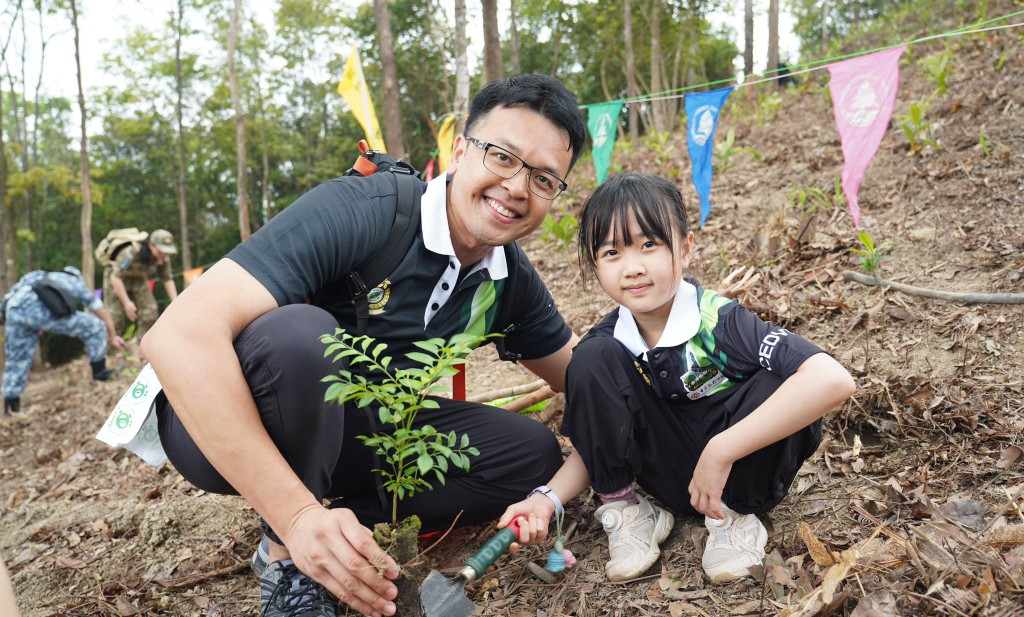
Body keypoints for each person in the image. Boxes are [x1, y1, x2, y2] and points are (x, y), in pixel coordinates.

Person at [142, 74, 588, 617]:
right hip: (220, 421)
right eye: (503, 157)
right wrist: (297, 519)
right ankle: (287, 560)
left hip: (361, 435)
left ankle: (346, 532)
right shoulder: (367, 209)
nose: (517, 187)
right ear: (460, 149)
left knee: (531, 456)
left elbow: (585, 380)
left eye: (544, 179)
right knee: (301, 339)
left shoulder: (507, 278)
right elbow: (177, 336)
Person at [498, 173, 856, 584]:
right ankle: (631, 512)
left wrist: (721, 450)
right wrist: (546, 501)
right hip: (672, 477)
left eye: (649, 244)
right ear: (595, 266)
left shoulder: (720, 321)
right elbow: (599, 439)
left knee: (781, 379)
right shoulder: (607, 345)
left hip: (741, 471)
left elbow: (833, 379)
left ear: (684, 249)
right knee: (589, 359)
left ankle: (736, 519)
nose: (632, 267)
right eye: (612, 252)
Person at [2, 267, 128, 414]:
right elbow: (99, 309)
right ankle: (100, 373)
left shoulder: (39, 275)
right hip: (39, 312)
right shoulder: (73, 281)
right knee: (96, 326)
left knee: (18, 358)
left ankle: (11, 405)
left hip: (14, 311)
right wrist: (112, 336)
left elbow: (11, 295)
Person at [103, 228, 179, 342]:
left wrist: (176, 301)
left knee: (150, 313)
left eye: (167, 252)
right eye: (161, 251)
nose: (164, 254)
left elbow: (167, 278)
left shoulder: (163, 259)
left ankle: (141, 345)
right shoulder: (130, 253)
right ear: (151, 246)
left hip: (139, 280)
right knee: (115, 319)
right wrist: (127, 303)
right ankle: (110, 350)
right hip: (118, 281)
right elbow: (115, 277)